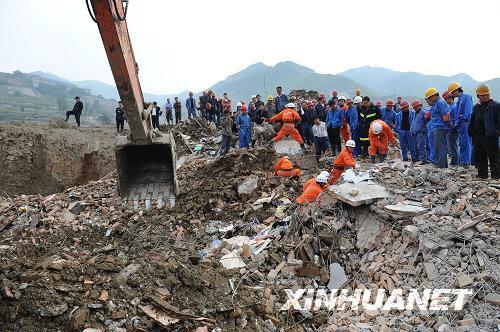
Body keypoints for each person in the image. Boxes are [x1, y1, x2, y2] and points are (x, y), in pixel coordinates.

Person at [468, 84, 499, 179]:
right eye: (483, 95)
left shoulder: (495, 106)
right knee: (480, 157)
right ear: (478, 96)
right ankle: (482, 175)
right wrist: (472, 132)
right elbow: (472, 120)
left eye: (487, 94)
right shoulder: (476, 107)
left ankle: (496, 176)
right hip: (477, 136)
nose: (486, 96)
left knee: (494, 158)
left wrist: (496, 133)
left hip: (490, 136)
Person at [448, 82, 473, 166]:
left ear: (456, 90)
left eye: (452, 92)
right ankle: (464, 161)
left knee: (465, 143)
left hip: (465, 123)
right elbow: (458, 115)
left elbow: (468, 112)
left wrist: (463, 118)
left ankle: (465, 163)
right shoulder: (459, 101)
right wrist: (456, 124)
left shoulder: (467, 97)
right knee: (462, 143)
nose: (451, 94)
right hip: (461, 124)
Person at [425, 87, 450, 168]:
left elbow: (445, 115)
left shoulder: (440, 103)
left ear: (433, 96)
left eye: (429, 98)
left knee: (440, 147)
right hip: (437, 128)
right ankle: (442, 164)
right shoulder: (436, 103)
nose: (429, 100)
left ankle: (441, 165)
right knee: (438, 147)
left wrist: (447, 125)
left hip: (440, 128)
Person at [443, 91, 459, 166]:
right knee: (451, 146)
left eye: (445, 99)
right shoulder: (449, 106)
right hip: (449, 128)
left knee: (452, 146)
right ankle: (454, 161)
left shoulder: (454, 106)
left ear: (450, 98)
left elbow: (456, 118)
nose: (445, 101)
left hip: (452, 129)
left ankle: (455, 162)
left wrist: (453, 125)